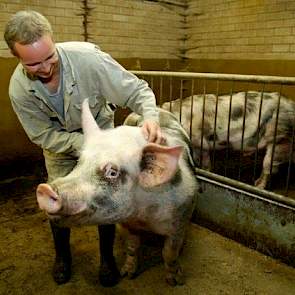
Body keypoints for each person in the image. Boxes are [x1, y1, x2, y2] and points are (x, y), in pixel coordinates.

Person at [4, 10, 165, 287]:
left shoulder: (88, 59)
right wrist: (86, 144)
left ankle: (106, 259)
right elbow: (42, 134)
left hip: (100, 135)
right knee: (57, 201)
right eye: (33, 65)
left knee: (106, 194)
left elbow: (137, 90)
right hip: (60, 149)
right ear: (16, 58)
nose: (45, 68)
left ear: (53, 41)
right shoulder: (19, 90)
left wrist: (150, 115)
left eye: (49, 57)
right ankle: (63, 257)